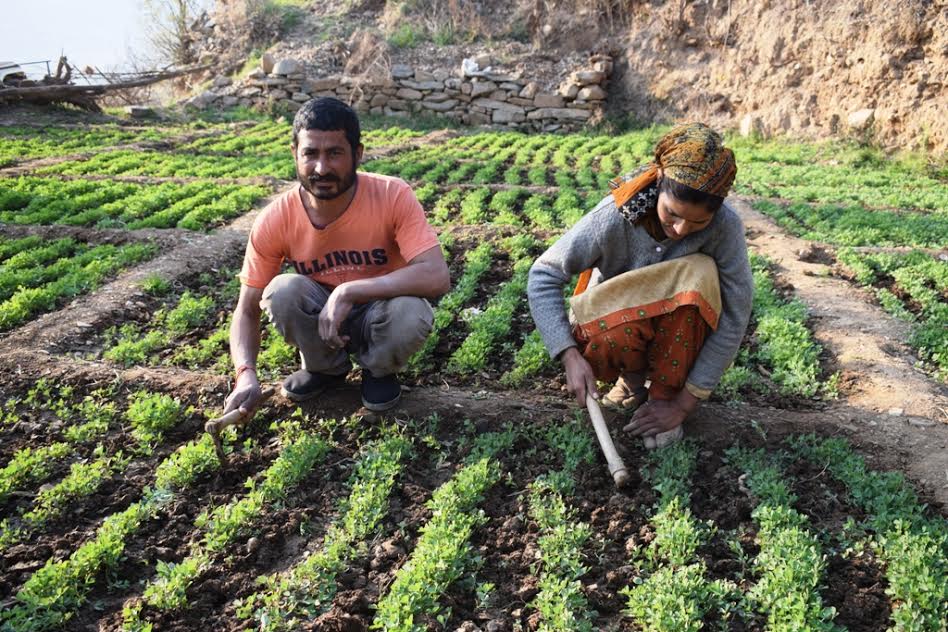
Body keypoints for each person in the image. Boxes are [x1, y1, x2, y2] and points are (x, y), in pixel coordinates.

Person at [527, 122, 753, 449]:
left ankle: (663, 396)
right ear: (659, 182)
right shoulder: (615, 215)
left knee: (699, 273)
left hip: (679, 335)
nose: (680, 229)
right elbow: (544, 273)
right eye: (671, 214)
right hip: (611, 334)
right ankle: (632, 381)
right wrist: (568, 356)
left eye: (698, 223)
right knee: (676, 281)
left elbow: (735, 314)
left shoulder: (724, 227)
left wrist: (681, 405)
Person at [224, 97, 450, 416]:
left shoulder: (392, 195)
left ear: (357, 154)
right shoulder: (276, 218)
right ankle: (324, 368)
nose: (321, 168)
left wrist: (350, 290)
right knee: (282, 291)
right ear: (295, 155)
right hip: (321, 324)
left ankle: (379, 370)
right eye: (310, 154)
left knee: (411, 312)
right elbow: (247, 310)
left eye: (334, 153)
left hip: (379, 314)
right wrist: (245, 375)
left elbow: (436, 275)